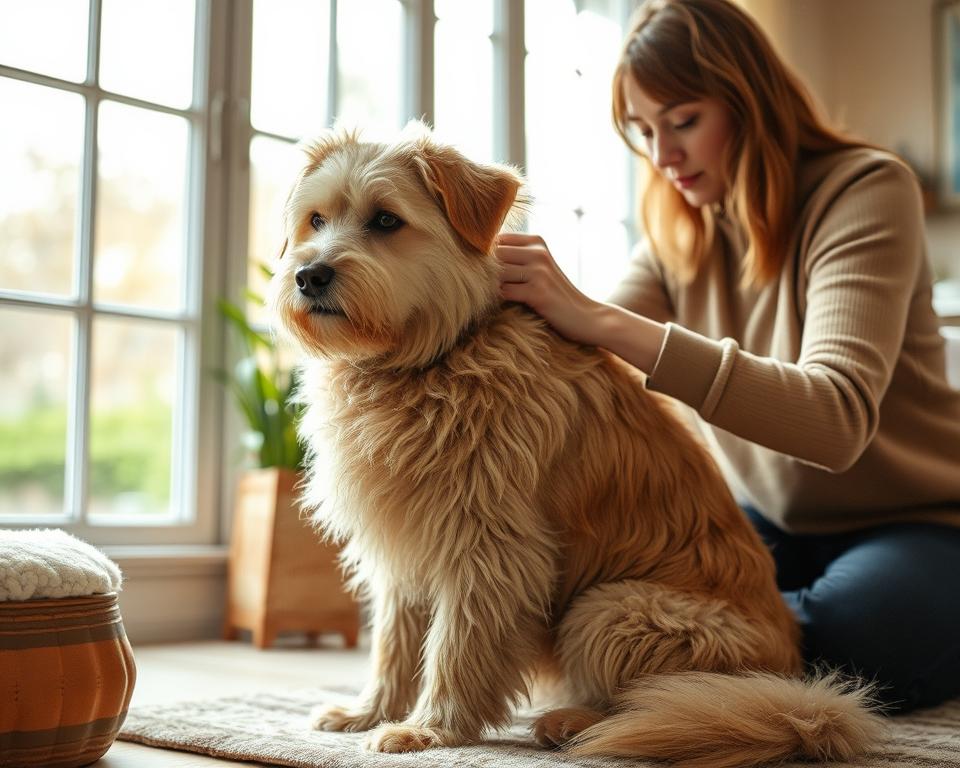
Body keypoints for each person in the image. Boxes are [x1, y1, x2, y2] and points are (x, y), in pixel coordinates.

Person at [497, 0, 960, 713]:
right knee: (627, 591)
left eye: (683, 121)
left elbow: (834, 420)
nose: (663, 156)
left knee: (850, 633)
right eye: (643, 131)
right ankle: (736, 655)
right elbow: (576, 353)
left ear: (750, 102)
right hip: (769, 520)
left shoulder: (866, 188)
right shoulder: (680, 231)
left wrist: (599, 318)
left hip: (922, 520)